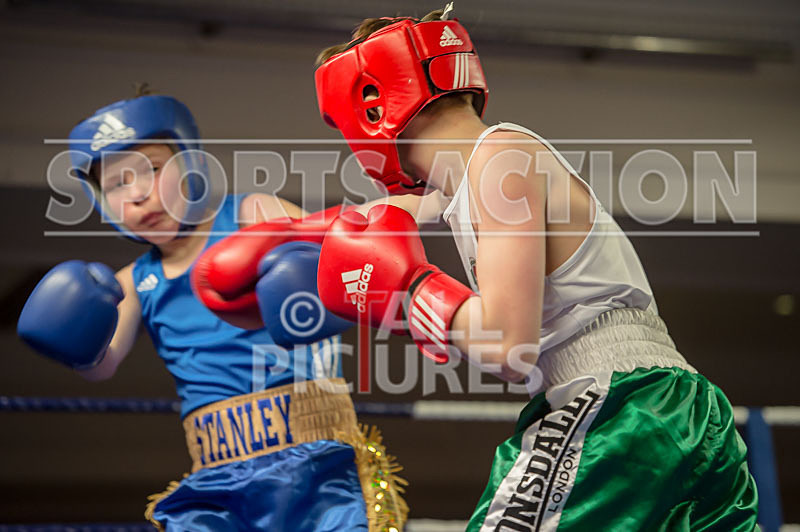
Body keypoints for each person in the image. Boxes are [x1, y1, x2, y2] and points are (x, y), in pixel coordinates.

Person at [311, 5, 759, 531]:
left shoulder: (499, 161)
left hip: (619, 411)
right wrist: (269, 239)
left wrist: (412, 287)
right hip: (673, 414)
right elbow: (373, 221)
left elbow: (508, 345)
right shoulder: (478, 174)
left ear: (370, 105)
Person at [17, 90, 407, 531]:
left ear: (190, 162)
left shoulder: (252, 213)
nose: (139, 194)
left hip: (318, 460)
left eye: (151, 170)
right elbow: (101, 365)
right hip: (217, 480)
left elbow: (352, 263)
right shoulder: (129, 284)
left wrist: (316, 282)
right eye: (115, 184)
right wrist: (71, 335)